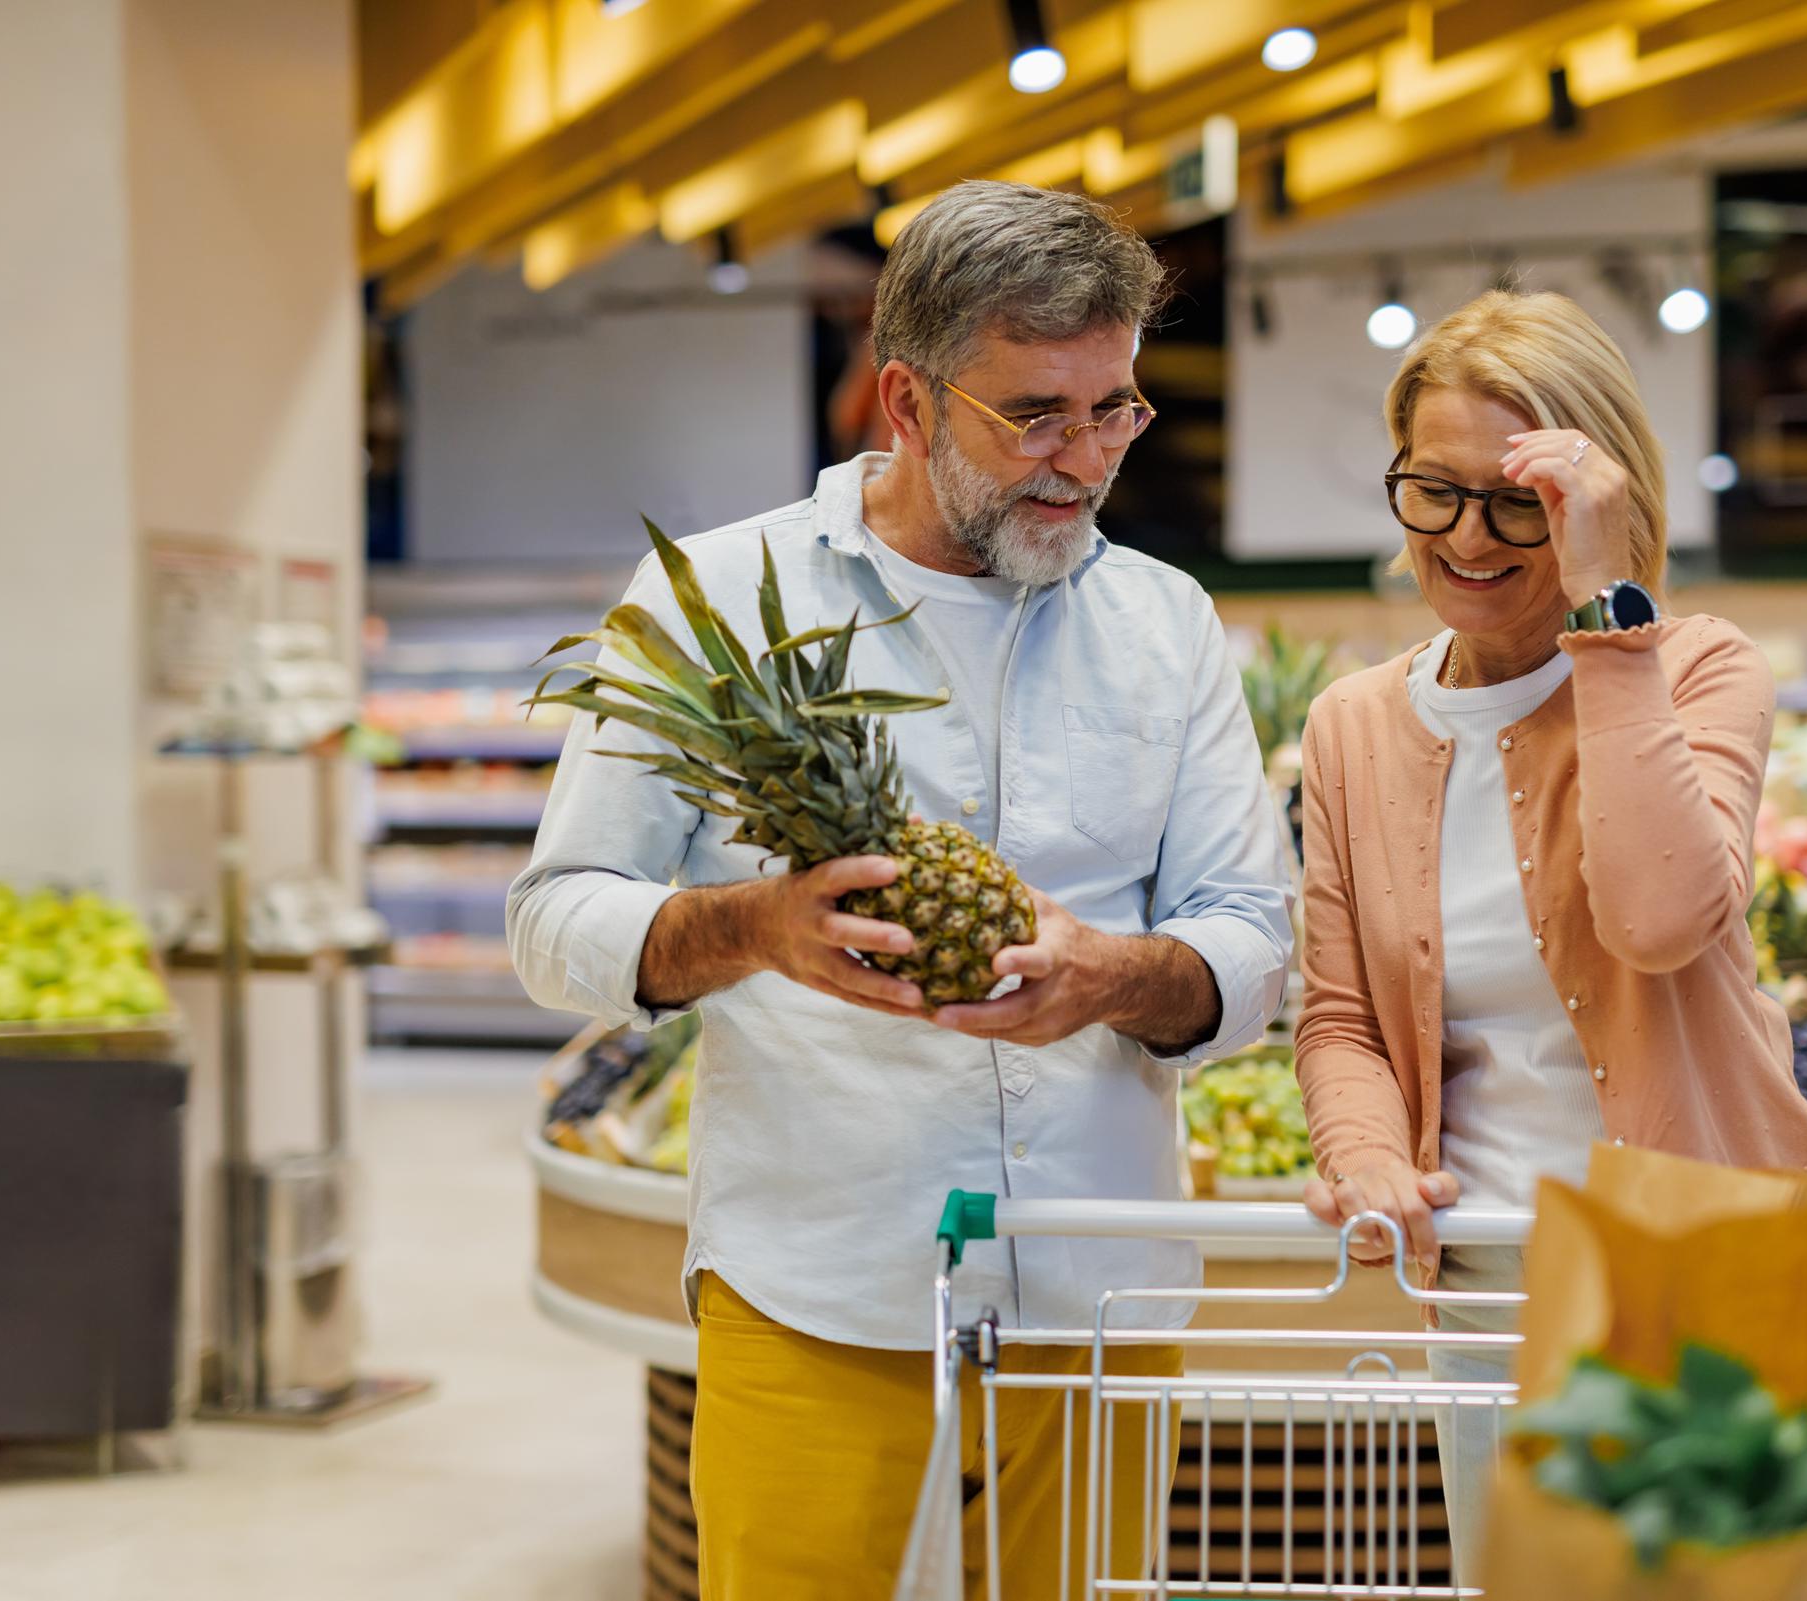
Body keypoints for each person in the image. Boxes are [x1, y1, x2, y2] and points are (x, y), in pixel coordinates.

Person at [507, 180, 1295, 1601]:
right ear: (906, 403)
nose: (1081, 460)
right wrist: (755, 926)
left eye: (1112, 410)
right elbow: (558, 921)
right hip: (818, 1289)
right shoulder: (725, 595)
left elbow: (1252, 935)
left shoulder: (1163, 622)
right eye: (1032, 414)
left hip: (1099, 1292)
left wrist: (1113, 976)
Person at [1287, 290, 1807, 1582]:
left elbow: (1656, 921)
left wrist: (1607, 610)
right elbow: (1338, 1016)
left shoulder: (1698, 666)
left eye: (1518, 501)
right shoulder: (1354, 725)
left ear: (1596, 495)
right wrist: (1369, 1156)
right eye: (1434, 490)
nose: (1469, 538)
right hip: (1481, 1288)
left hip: (1704, 1273)